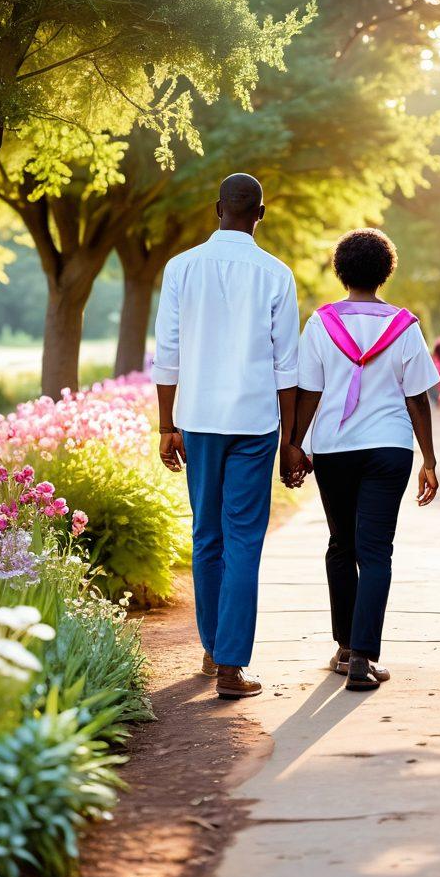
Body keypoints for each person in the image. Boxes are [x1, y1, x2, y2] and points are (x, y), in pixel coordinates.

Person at [152, 173, 306, 701]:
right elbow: (288, 364)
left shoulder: (180, 268)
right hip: (255, 422)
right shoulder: (276, 274)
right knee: (244, 540)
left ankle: (214, 648)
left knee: (207, 535)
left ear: (217, 209)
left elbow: (166, 352)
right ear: (260, 214)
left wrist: (166, 424)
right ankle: (231, 667)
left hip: (196, 417)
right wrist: (291, 440)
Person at [289, 229, 439, 691]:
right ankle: (363, 655)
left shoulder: (320, 324)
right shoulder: (405, 326)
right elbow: (418, 400)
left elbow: (308, 391)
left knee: (341, 544)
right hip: (389, 448)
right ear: (386, 271)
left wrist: (294, 444)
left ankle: (345, 646)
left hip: (334, 448)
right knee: (375, 551)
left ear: (341, 270)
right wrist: (429, 461)